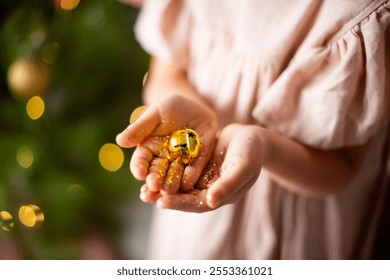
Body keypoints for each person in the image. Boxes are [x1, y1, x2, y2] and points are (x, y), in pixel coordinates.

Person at [116, 0, 390, 259]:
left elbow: (346, 165)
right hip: (198, 217)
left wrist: (265, 146)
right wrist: (179, 100)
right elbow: (165, 75)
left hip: (295, 227)